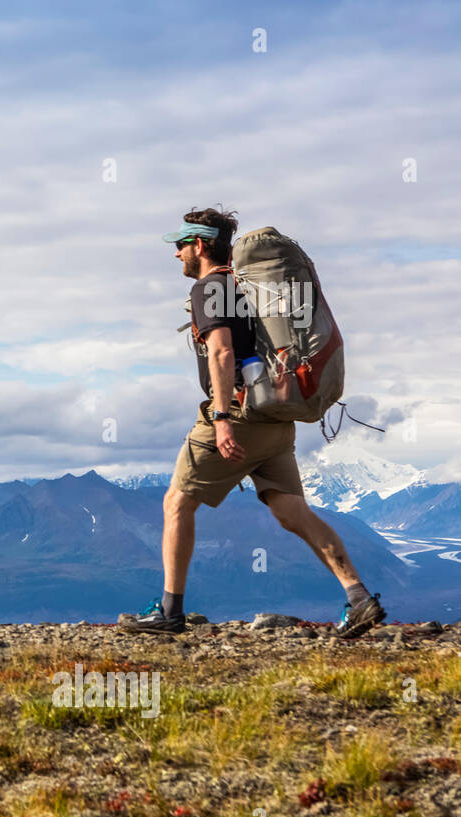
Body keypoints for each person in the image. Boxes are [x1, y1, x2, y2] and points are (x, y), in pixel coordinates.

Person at [121, 207, 386, 638]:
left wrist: (222, 418)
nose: (176, 255)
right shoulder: (246, 286)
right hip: (273, 417)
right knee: (290, 509)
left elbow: (223, 352)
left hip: (239, 414)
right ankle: (359, 598)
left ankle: (169, 612)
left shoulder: (210, 289)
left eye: (180, 245)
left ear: (200, 245)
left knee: (177, 503)